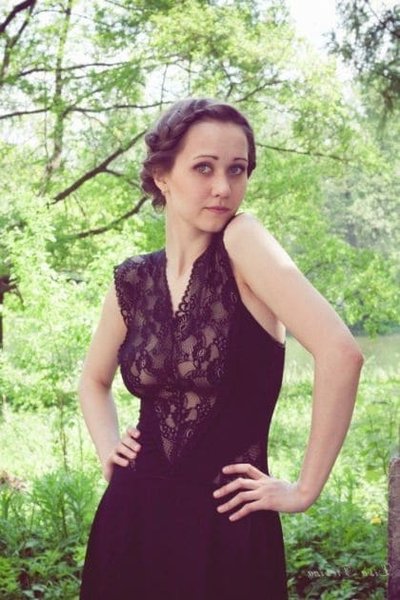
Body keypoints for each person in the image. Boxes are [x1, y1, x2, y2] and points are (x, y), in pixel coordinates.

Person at [78, 97, 363, 599]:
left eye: (238, 169)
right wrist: (108, 449)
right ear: (162, 175)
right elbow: (93, 381)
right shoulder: (133, 279)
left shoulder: (244, 240)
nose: (223, 188)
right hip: (131, 519)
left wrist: (303, 490)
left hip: (226, 527)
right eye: (204, 168)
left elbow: (341, 354)